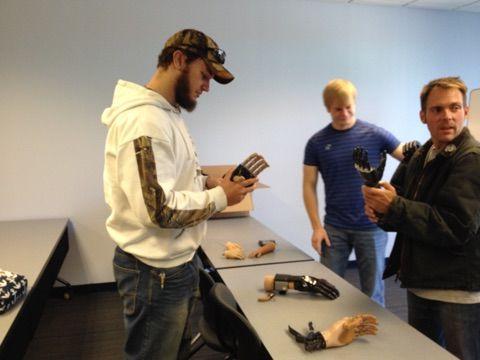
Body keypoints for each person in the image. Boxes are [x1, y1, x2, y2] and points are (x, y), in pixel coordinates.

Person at [101, 29, 257, 360]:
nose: (207, 86)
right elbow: (159, 210)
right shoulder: (144, 121)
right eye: (204, 75)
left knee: (174, 352)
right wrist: (221, 199)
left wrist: (208, 183)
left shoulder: (166, 114)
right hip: (154, 272)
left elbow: (170, 178)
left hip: (173, 264)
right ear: (178, 60)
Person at [362, 76, 480, 360]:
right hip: (420, 281)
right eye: (437, 109)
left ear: (466, 111)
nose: (447, 116)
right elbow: (401, 202)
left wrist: (395, 207)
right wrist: (381, 210)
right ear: (423, 116)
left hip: (457, 291)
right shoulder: (421, 154)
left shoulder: (471, 159)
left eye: (454, 107)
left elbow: (456, 226)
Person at [303, 79, 403, 306]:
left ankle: (376, 337)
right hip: (334, 229)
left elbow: (411, 160)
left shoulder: (376, 135)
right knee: (327, 289)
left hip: (373, 227)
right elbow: (308, 185)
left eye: (349, 107)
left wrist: (398, 193)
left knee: (373, 294)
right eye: (338, 109)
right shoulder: (317, 143)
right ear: (328, 108)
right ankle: (330, 334)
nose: (345, 113)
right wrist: (316, 227)